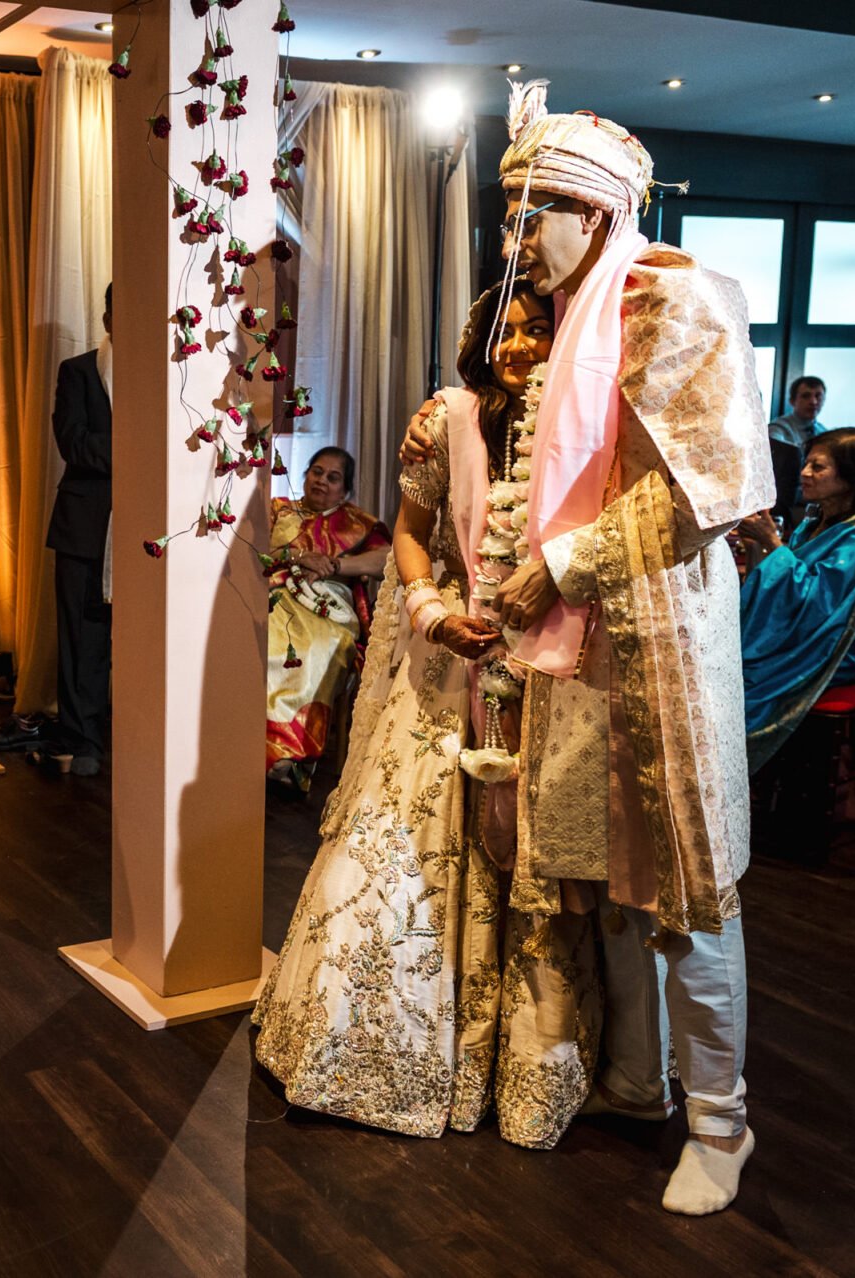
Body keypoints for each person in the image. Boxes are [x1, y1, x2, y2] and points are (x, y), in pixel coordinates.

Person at [401, 82, 772, 1214]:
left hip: (656, 640)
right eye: (514, 218)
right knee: (596, 880)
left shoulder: (676, 295)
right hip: (567, 646)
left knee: (686, 893)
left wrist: (554, 568)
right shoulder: (570, 320)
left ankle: (724, 1122)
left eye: (533, 216)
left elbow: (709, 492)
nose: (518, 241)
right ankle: (635, 1080)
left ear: (599, 213)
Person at [257, 277, 600, 1149]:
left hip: (549, 669)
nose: (520, 347)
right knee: (387, 850)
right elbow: (411, 532)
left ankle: (516, 1061)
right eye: (505, 333)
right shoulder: (450, 416)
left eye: (536, 329)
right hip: (444, 661)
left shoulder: (588, 417)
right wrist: (431, 613)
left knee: (532, 866)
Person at [735, 430, 855, 772]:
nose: (805, 472)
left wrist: (774, 545)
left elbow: (818, 603)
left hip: (830, 649)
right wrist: (756, 546)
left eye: (818, 466)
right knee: (720, 669)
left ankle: (733, 785)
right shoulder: (811, 525)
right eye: (806, 463)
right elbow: (776, 590)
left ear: (852, 475)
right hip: (796, 640)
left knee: (738, 688)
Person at [262, 448, 389, 792]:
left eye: (333, 477)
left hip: (330, 606)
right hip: (277, 594)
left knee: (320, 647)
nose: (321, 481)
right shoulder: (279, 509)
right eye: (316, 472)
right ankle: (247, 745)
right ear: (305, 475)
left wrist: (335, 565)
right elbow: (256, 548)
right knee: (265, 639)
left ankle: (287, 756)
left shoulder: (358, 523)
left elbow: (386, 560)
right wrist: (299, 557)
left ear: (345, 489)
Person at [43, 284, 113, 777]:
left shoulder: (168, 378)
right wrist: (137, 444)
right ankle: (81, 737)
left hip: (147, 531)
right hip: (85, 527)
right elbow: (74, 445)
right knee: (81, 637)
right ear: (107, 317)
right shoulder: (78, 372)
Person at [767, 374, 825, 451]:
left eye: (818, 396)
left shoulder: (823, 431)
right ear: (792, 401)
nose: (813, 402)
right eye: (806, 396)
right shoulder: (778, 428)